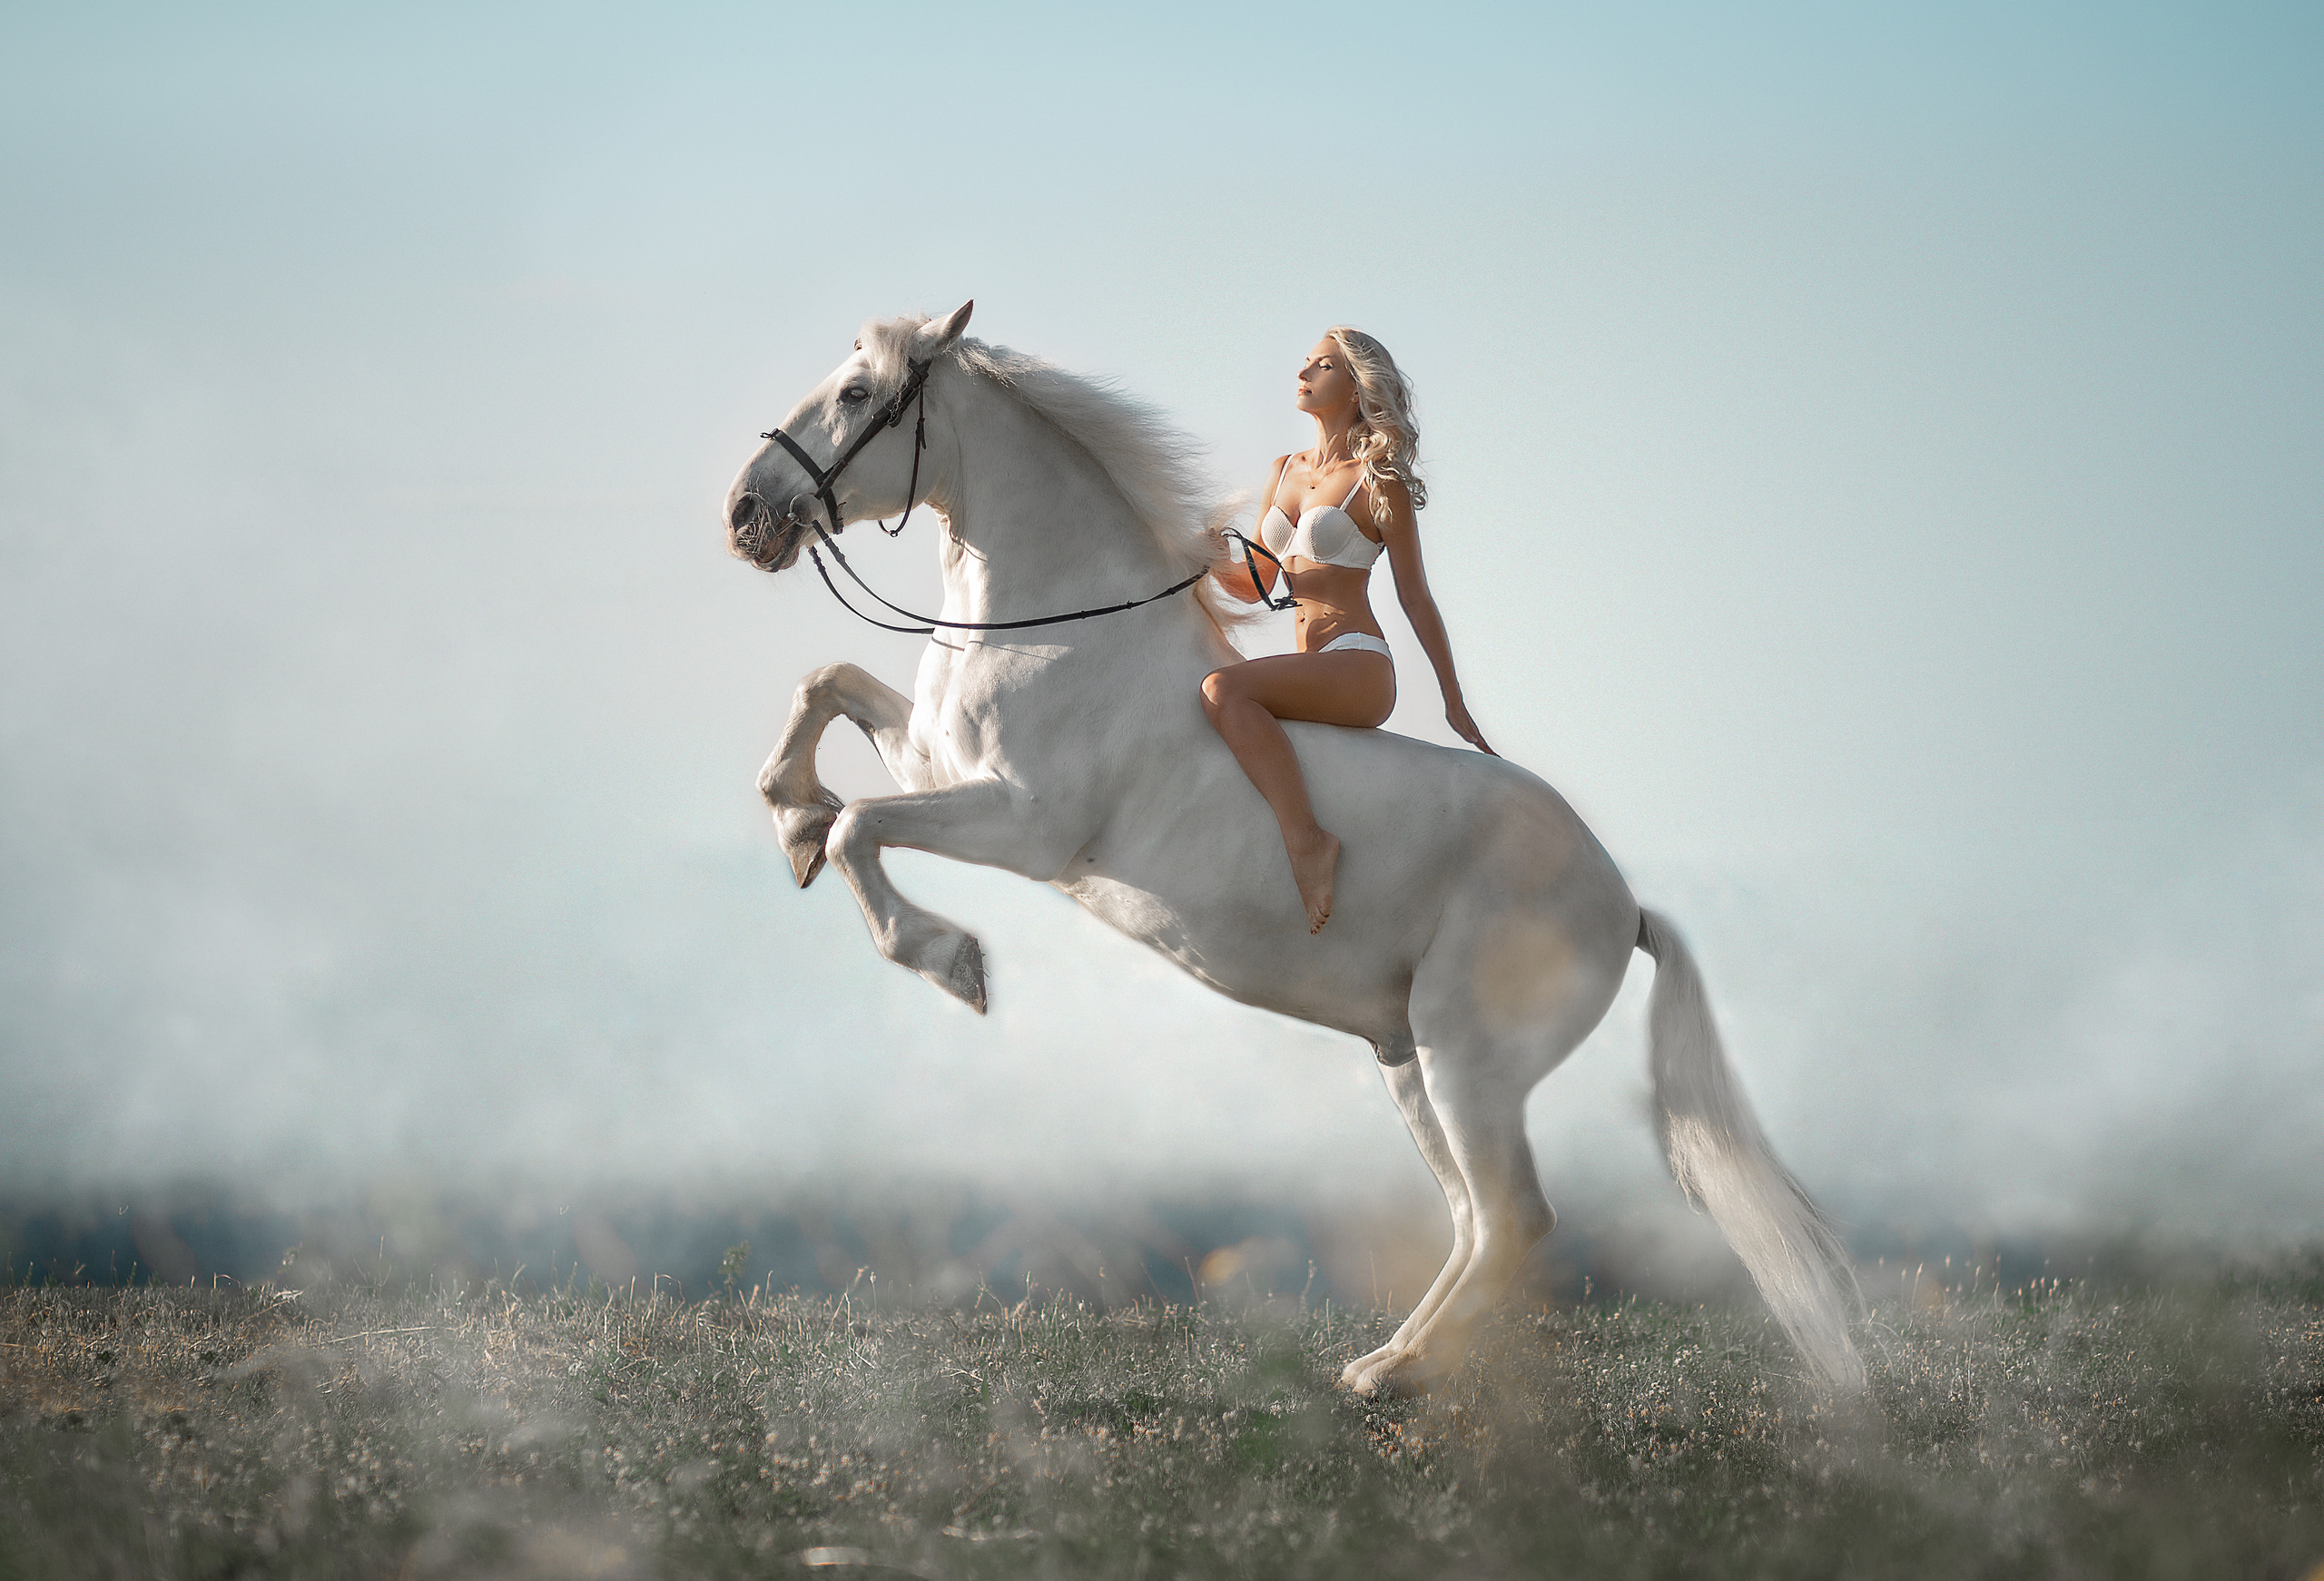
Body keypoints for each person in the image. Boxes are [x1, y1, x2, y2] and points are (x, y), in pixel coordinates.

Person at [1202, 328, 1494, 934]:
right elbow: (1256, 582)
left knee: (1223, 690)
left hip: (1357, 661)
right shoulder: (1284, 471)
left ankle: (1307, 843)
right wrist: (1202, 558)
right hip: (1313, 661)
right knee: (1219, 691)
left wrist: (1453, 700)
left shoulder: (1378, 480)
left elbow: (1415, 597)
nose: (1304, 373)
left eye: (1324, 365)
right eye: (1306, 361)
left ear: (1357, 389)